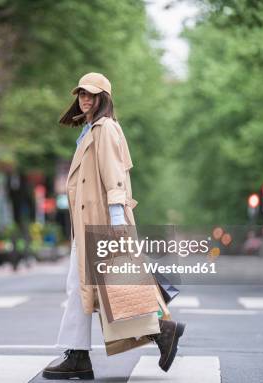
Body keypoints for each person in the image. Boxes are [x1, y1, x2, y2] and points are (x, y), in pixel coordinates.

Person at [42, 73, 186, 380]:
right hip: (90, 224)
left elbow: (114, 176)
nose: (85, 99)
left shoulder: (105, 128)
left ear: (104, 98)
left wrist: (118, 221)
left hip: (102, 223)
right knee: (99, 291)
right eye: (81, 94)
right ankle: (83, 353)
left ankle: (156, 332)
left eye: (92, 95)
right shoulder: (91, 128)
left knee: (108, 290)